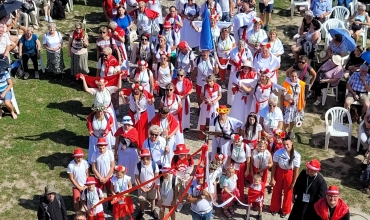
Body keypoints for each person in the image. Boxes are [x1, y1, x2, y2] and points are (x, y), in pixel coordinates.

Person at [270, 137, 301, 218]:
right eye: (284, 144)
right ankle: (275, 208)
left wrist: (294, 182)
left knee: (288, 192)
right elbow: (274, 166)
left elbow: (296, 170)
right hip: (279, 172)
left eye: (287, 144)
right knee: (277, 190)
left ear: (292, 143)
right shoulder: (278, 152)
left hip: (289, 173)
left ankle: (285, 210)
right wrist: (272, 178)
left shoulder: (297, 155)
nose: (286, 146)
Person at [120, 83, 154, 148]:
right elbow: (125, 102)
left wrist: (151, 100)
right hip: (132, 114)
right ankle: (133, 143)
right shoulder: (131, 95)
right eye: (135, 89)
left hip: (142, 115)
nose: (136, 90)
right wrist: (122, 97)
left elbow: (150, 102)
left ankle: (142, 145)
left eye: (138, 89)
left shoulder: (145, 95)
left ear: (140, 90)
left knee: (141, 131)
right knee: (132, 129)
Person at [135, 148, 160, 220]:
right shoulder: (138, 165)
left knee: (152, 198)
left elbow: (156, 176)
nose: (145, 161)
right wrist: (141, 187)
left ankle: (153, 210)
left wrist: (152, 187)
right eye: (143, 159)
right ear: (141, 158)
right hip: (142, 186)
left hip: (152, 186)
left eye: (147, 159)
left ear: (150, 157)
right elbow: (136, 176)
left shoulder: (154, 165)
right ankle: (142, 211)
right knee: (142, 200)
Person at [91, 137, 115, 213]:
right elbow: (94, 168)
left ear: (106, 146)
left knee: (110, 192)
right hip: (99, 177)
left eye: (103, 148)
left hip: (108, 176)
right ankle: (98, 207)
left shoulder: (110, 153)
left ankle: (110, 205)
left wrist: (106, 178)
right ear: (97, 146)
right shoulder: (95, 154)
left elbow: (112, 166)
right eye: (100, 148)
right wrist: (100, 177)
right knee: (98, 192)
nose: (101, 150)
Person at [227, 41, 253, 105]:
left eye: (242, 44)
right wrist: (235, 63)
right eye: (240, 44)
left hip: (244, 70)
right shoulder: (233, 51)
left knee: (242, 84)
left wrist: (242, 65)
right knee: (233, 84)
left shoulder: (247, 51)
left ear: (244, 45)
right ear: (237, 44)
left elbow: (249, 60)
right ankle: (232, 101)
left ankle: (242, 99)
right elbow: (229, 61)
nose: (241, 46)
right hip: (235, 70)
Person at [282, 70, 306, 139]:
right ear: (290, 76)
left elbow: (302, 95)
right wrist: (288, 100)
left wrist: (302, 106)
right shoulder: (286, 83)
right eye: (292, 76)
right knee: (286, 119)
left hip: (296, 105)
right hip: (288, 105)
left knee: (293, 119)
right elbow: (283, 96)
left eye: (295, 76)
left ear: (297, 76)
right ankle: (285, 132)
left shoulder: (301, 84)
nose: (294, 78)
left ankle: (291, 131)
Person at [114, 115, 139, 180]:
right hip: (122, 154)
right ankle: (122, 181)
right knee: (122, 167)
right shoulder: (119, 130)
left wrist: (127, 144)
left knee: (132, 167)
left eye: (128, 125)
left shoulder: (134, 131)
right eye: (125, 124)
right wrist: (115, 153)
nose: (126, 126)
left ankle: (133, 182)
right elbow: (117, 143)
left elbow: (136, 142)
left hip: (132, 154)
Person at [171, 144, 194, 211]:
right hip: (178, 175)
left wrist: (189, 173)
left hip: (186, 175)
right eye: (180, 154)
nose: (181, 155)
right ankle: (177, 200)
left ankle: (181, 201)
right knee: (177, 188)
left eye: (183, 154)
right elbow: (172, 169)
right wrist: (177, 176)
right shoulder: (175, 158)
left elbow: (192, 166)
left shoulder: (189, 157)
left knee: (185, 189)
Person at [229, 134, 249, 201]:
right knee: (233, 181)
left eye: (237, 141)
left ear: (240, 140)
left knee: (241, 182)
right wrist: (229, 166)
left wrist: (247, 169)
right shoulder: (231, 146)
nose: (235, 143)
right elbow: (229, 157)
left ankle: (240, 198)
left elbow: (248, 159)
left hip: (242, 165)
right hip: (234, 164)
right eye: (234, 141)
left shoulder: (246, 147)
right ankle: (233, 198)